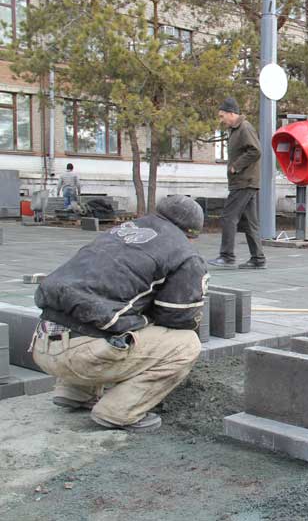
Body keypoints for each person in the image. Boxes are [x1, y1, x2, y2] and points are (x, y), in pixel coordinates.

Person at [31, 195, 207, 432]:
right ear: (191, 233)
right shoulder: (184, 254)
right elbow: (177, 318)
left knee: (109, 314)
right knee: (186, 344)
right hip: (81, 357)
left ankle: (74, 392)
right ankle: (118, 412)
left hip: (41, 344)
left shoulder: (120, 231)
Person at [207, 97, 266, 270]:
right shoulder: (234, 129)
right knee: (250, 223)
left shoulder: (244, 127)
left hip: (244, 181)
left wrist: (236, 167)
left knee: (228, 217)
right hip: (244, 181)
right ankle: (258, 259)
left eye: (222, 115)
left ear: (232, 113)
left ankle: (227, 256)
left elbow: (256, 151)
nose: (221, 119)